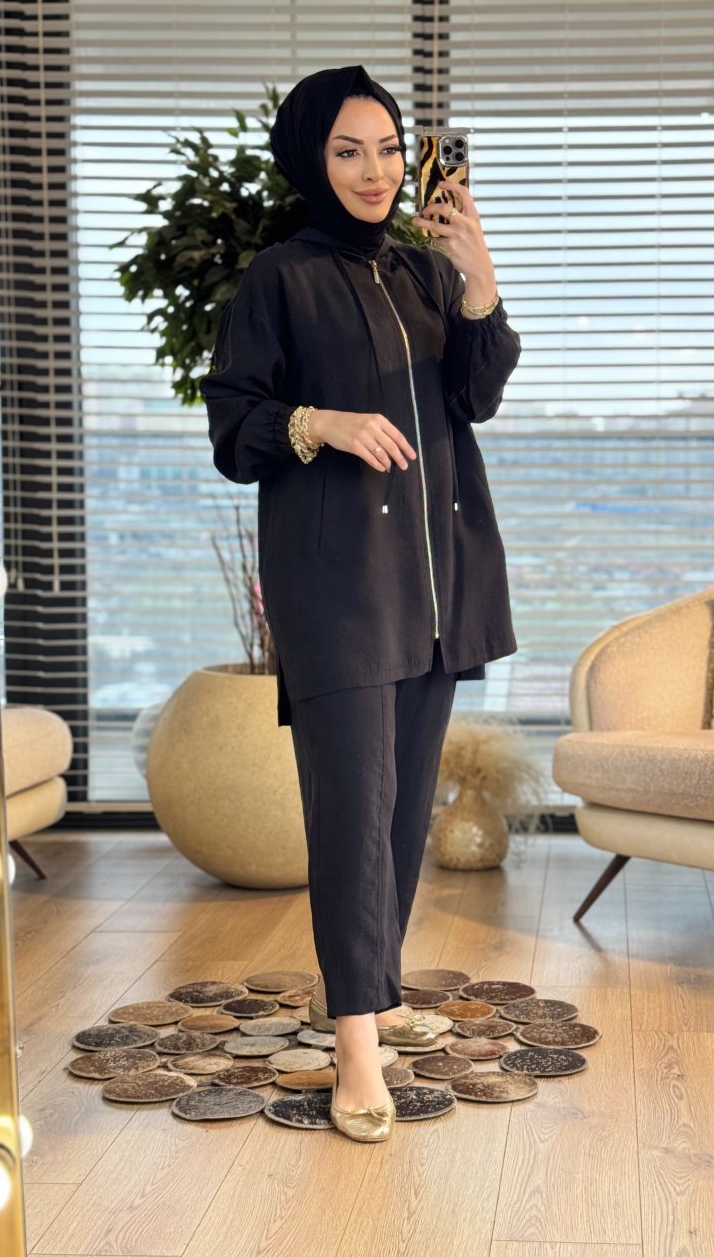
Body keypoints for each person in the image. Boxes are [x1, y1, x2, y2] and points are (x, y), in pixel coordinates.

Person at [201, 65, 521, 1141]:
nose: (375, 170)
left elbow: (474, 394)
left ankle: (375, 996)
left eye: (388, 147)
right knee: (349, 814)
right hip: (337, 586)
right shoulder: (278, 279)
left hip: (434, 583)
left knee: (398, 809)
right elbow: (232, 427)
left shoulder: (426, 271)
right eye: (348, 150)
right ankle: (354, 1047)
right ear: (311, 158)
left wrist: (476, 278)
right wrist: (322, 423)